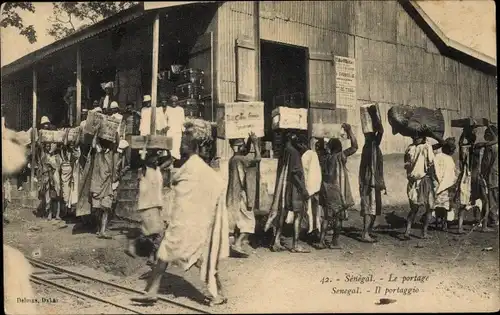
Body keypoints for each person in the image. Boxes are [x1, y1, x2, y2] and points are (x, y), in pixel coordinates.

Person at [131, 131, 229, 306]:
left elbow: (216, 186)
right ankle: (152, 291)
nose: (182, 145)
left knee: (198, 259)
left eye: (185, 142)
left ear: (194, 146)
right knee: (164, 253)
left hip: (193, 222)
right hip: (181, 221)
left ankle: (218, 293)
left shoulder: (197, 165)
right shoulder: (187, 164)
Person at [265, 131, 311, 253]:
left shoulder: (284, 151)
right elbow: (295, 174)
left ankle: (276, 240)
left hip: (285, 188)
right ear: (292, 138)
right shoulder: (294, 153)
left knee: (283, 213)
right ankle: (295, 245)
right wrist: (303, 190)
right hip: (295, 189)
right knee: (298, 215)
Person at [316, 123, 358, 249]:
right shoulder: (340, 157)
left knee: (327, 217)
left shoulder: (323, 158)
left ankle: (321, 241)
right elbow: (355, 147)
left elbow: (321, 146)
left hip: (326, 189)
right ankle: (334, 242)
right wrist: (349, 131)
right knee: (339, 217)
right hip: (338, 191)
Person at [125, 149, 165, 266]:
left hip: (156, 205)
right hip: (147, 205)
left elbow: (168, 160)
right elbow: (138, 163)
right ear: (148, 159)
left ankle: (134, 245)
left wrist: (165, 150)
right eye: (153, 157)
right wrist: (143, 155)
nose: (156, 159)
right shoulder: (144, 170)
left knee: (150, 234)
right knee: (158, 233)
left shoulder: (157, 169)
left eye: (157, 157)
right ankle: (151, 256)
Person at [226, 132, 261, 257]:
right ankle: (237, 244)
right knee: (250, 222)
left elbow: (245, 152)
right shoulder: (240, 159)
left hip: (235, 195)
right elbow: (257, 158)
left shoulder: (234, 159)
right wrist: (256, 143)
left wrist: (250, 141)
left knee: (239, 222)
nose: (243, 148)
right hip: (241, 195)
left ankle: (236, 244)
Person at [403, 132, 438, 239]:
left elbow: (406, 165)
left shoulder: (409, 148)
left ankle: (407, 231)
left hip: (413, 181)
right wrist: (434, 179)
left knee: (414, 208)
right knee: (429, 208)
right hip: (424, 180)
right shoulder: (426, 147)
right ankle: (424, 232)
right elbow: (431, 163)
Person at [359, 108, 385, 243]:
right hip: (370, 183)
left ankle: (368, 232)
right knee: (370, 209)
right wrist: (374, 114)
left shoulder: (371, 146)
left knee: (374, 209)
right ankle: (365, 234)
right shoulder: (371, 146)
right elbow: (381, 130)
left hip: (373, 182)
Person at [89, 130, 120, 239]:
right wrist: (97, 132)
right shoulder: (98, 151)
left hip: (107, 183)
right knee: (97, 209)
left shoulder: (111, 152)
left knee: (106, 208)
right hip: (97, 183)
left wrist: (114, 132)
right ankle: (99, 228)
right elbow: (94, 143)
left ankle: (102, 230)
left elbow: (117, 143)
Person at [37, 116, 63, 221]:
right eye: (44, 124)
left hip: (54, 164)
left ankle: (57, 214)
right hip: (46, 166)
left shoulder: (54, 135)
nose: (46, 126)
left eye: (47, 124)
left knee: (57, 189)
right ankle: (49, 213)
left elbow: (58, 146)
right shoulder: (42, 136)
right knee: (47, 190)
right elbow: (39, 149)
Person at [432, 138, 457, 231]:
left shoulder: (438, 156)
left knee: (439, 205)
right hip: (445, 185)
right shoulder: (445, 158)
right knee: (444, 206)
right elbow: (452, 173)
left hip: (439, 184)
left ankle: (438, 222)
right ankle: (443, 223)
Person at [478, 124, 498, 227]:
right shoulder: (495, 145)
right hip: (495, 175)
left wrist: (482, 173)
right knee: (494, 196)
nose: (485, 135)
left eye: (486, 133)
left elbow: (486, 163)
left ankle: (493, 219)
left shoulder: (489, 147)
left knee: (491, 197)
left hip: (491, 175)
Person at [165, 95, 185, 160]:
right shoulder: (168, 109)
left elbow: (182, 120)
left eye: (175, 101)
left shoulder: (181, 109)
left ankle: (175, 161)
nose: (174, 103)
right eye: (172, 101)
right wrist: (165, 127)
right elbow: (164, 119)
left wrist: (183, 130)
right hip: (170, 131)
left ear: (177, 102)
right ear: (170, 102)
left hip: (178, 131)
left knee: (177, 147)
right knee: (169, 147)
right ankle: (170, 162)